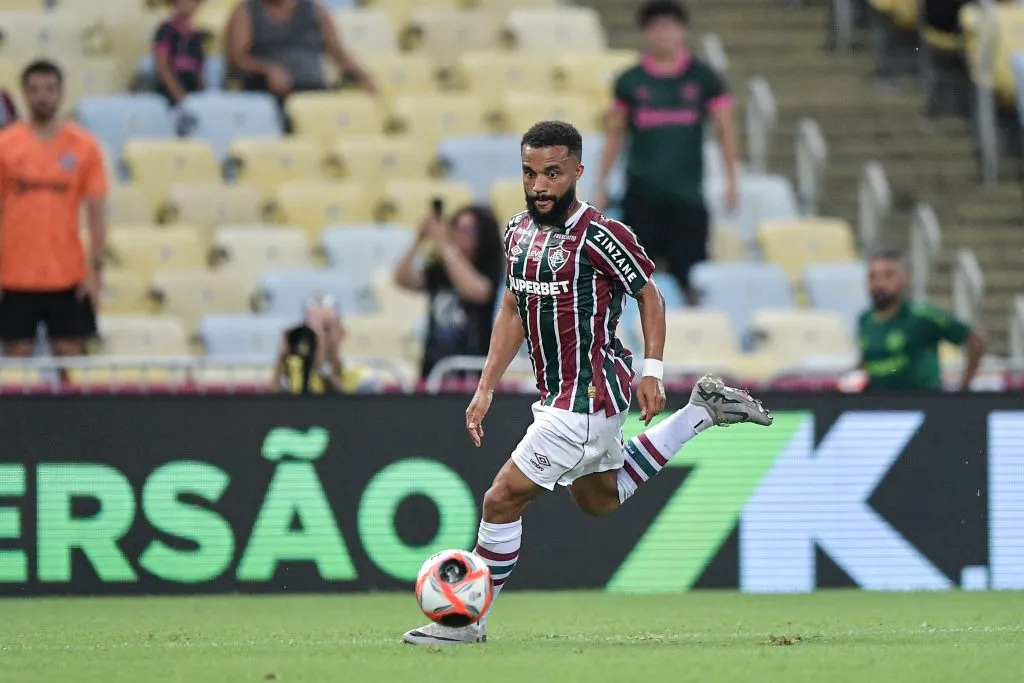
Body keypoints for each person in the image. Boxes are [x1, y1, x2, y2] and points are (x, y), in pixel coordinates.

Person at [402, 121, 772, 646]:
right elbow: (512, 305)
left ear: (577, 171)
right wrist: (486, 385)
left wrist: (653, 370)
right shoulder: (516, 232)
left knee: (501, 500)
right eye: (530, 173)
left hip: (588, 397)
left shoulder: (601, 234)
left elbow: (650, 296)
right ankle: (699, 415)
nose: (539, 186)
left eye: (552, 173)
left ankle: (467, 620)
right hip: (559, 397)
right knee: (599, 499)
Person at [594, 0, 739, 305]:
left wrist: (732, 181)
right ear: (647, 33)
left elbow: (726, 129)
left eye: (670, 27)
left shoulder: (703, 79)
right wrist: (601, 184)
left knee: (690, 277)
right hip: (642, 195)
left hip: (687, 197)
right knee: (636, 277)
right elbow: (614, 135)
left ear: (682, 31)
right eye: (657, 27)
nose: (664, 34)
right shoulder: (631, 81)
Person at [0, 60, 107, 365]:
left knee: (70, 358)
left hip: (68, 275)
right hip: (14, 275)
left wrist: (95, 272)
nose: (42, 96)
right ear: (24, 94)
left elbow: (96, 211)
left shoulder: (84, 146)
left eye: (49, 89)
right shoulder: (6, 145)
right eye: (34, 90)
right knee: (16, 359)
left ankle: (71, 416)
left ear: (61, 93)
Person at [393, 204, 505, 381]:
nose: (459, 235)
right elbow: (402, 279)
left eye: (468, 230)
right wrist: (418, 240)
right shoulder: (442, 270)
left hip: (471, 370)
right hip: (434, 370)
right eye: (456, 228)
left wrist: (444, 244)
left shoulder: (488, 270)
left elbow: (476, 292)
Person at [855, 248, 987, 392]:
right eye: (872, 276)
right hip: (879, 406)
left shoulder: (922, 317)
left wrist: (965, 386)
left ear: (905, 278)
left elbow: (976, 340)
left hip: (922, 403)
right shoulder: (864, 319)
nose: (878, 283)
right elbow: (871, 360)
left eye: (888, 275)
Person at [225, 0, 375, 106]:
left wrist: (363, 77)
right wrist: (268, 70)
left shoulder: (315, 10)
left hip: (314, 90)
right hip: (270, 93)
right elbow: (237, 58)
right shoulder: (246, 11)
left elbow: (337, 50)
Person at [271, 294, 347, 394]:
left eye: (326, 328)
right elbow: (270, 405)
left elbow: (353, 405)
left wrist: (322, 367)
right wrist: (281, 361)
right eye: (311, 330)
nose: (318, 337)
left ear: (341, 333)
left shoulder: (360, 376)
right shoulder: (294, 376)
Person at [152, 0, 206, 107]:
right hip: (169, 96)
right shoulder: (165, 31)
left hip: (192, 93)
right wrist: (180, 96)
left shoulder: (196, 36)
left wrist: (201, 98)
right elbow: (162, 67)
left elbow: (199, 69)